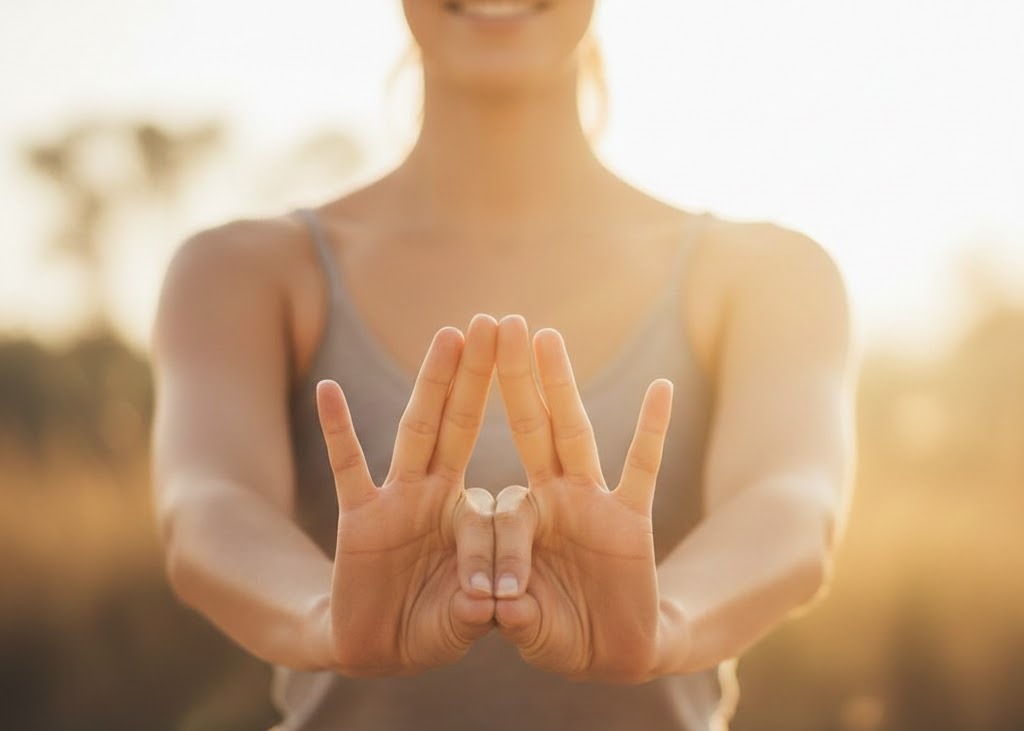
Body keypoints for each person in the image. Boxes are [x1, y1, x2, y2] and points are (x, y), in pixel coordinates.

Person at [150, 1, 855, 729]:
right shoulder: (242, 273)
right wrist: (326, 618)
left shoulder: (767, 274)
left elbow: (790, 505)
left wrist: (665, 620)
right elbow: (208, 508)